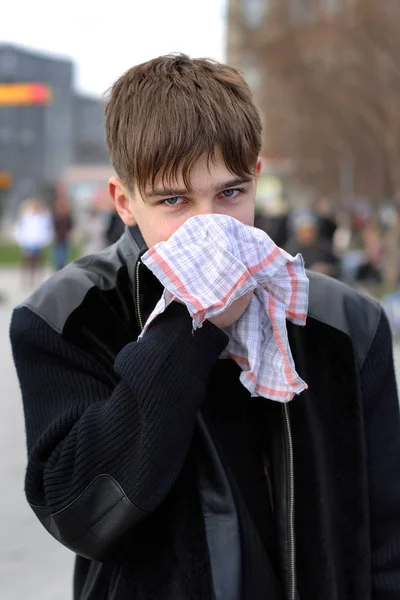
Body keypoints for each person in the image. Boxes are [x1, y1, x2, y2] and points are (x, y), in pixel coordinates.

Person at [9, 55, 400, 600]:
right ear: (125, 201)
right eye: (174, 201)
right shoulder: (69, 315)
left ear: (256, 178)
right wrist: (193, 327)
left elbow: (385, 536)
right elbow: (79, 512)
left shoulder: (344, 322)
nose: (209, 227)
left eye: (230, 194)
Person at [14, 197, 53, 288]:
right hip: (28, 241)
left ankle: (38, 279)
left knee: (39, 261)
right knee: (28, 261)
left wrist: (47, 239)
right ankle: (26, 280)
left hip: (40, 241)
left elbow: (48, 228)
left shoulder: (44, 216)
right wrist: (20, 239)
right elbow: (19, 228)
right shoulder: (26, 216)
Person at [52, 196, 74, 271]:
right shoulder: (56, 216)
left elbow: (70, 226)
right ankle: (59, 268)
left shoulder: (67, 216)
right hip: (58, 238)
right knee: (59, 256)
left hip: (65, 237)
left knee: (64, 255)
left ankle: (61, 269)